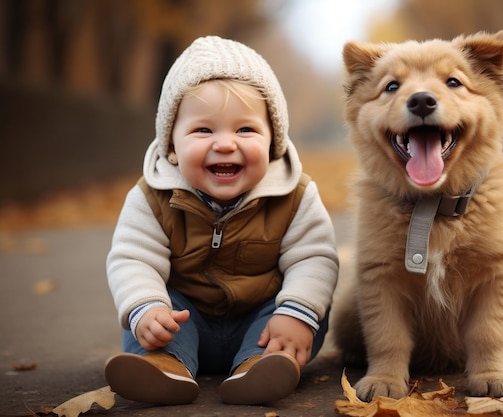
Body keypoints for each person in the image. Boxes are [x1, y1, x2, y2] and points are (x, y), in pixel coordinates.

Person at [104, 35, 339, 406]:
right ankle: (164, 366)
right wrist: (145, 307)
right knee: (158, 313)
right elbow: (133, 257)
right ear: (171, 147)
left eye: (245, 129)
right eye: (204, 130)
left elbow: (315, 258)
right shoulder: (152, 196)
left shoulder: (295, 196)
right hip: (185, 318)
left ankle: (260, 368)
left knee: (305, 309)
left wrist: (297, 311)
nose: (226, 143)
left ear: (273, 140)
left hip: (261, 319)